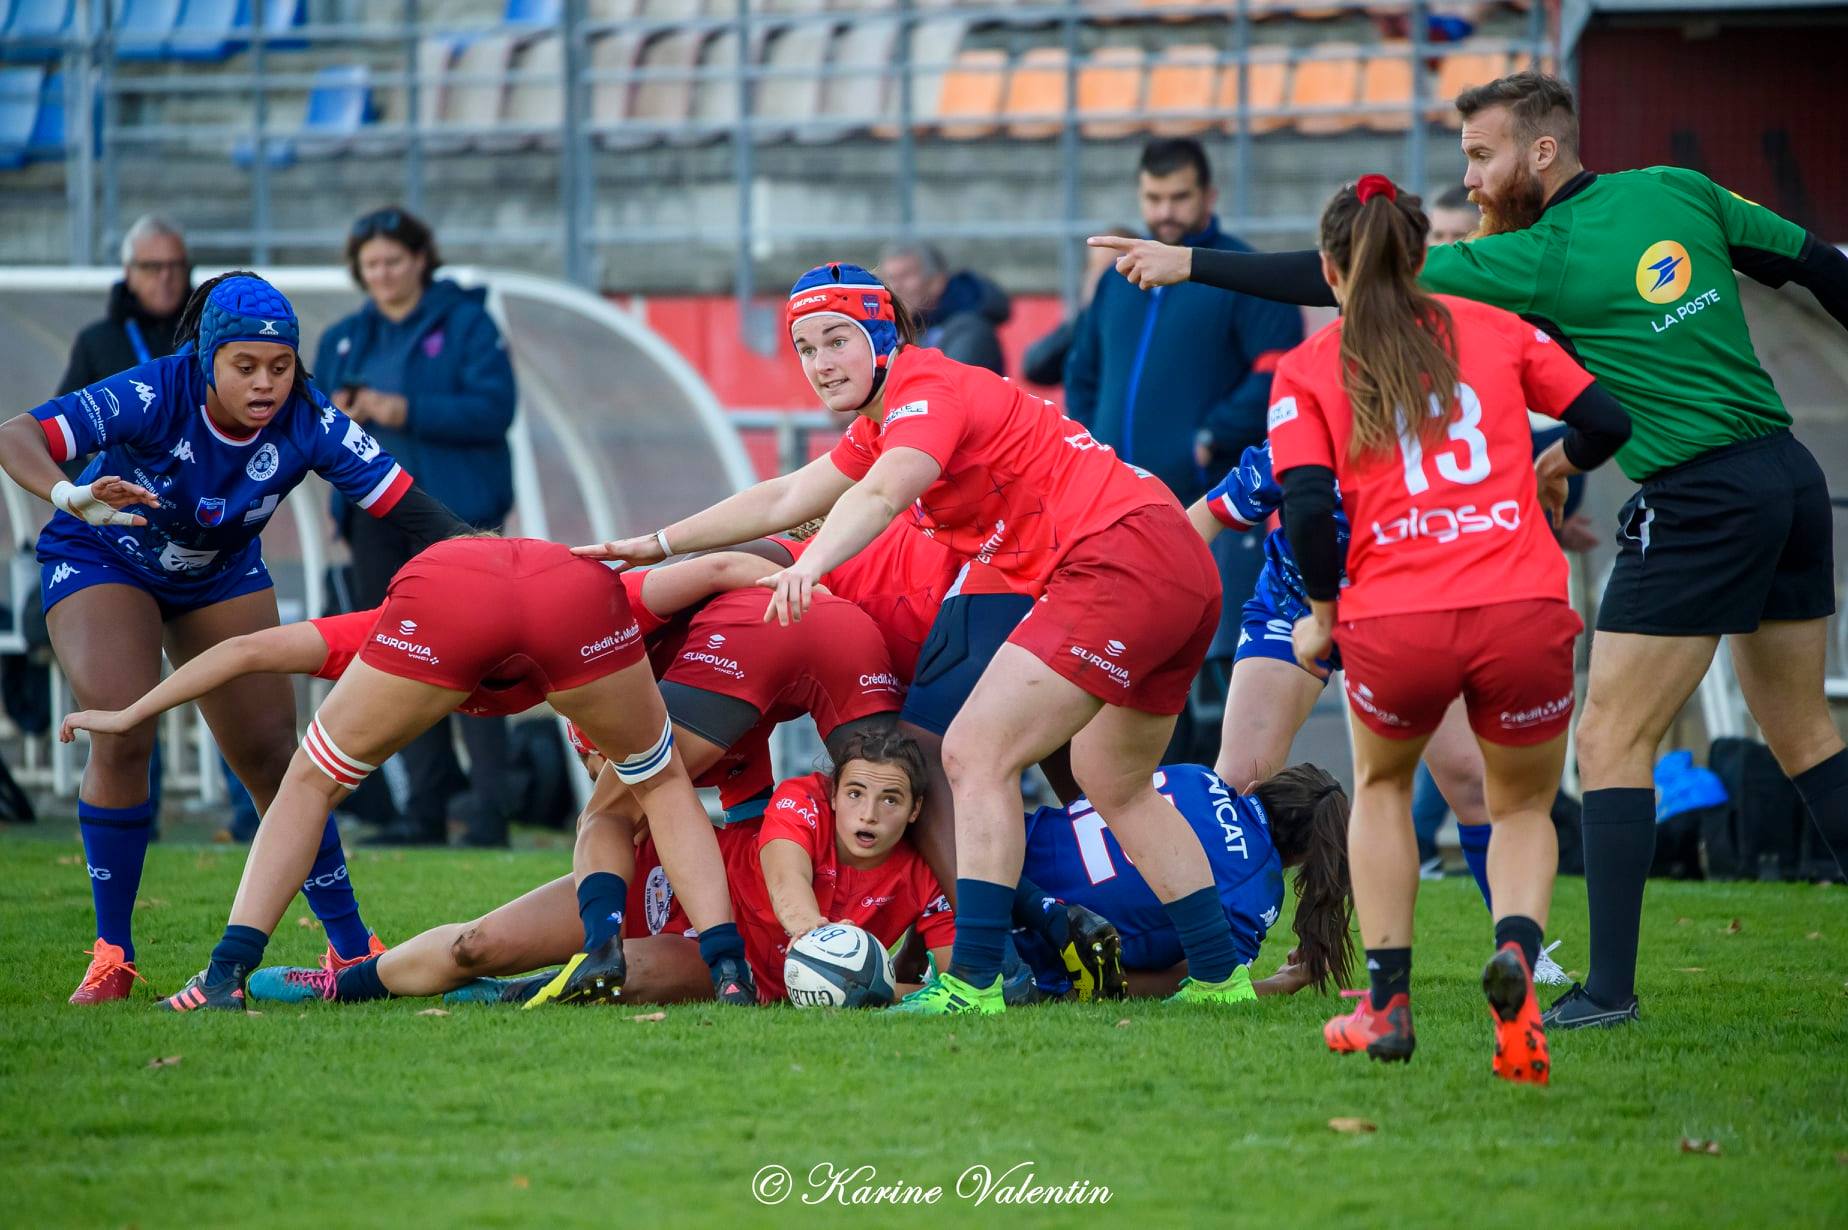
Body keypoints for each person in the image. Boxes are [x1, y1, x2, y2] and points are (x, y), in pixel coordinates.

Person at [1093, 69, 1848, 1030]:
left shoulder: (1518, 266)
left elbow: (1336, 295)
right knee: (1804, 738)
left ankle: (1582, 991)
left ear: (1542, 150)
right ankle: (1496, 956)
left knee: (1600, 744)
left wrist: (1188, 263)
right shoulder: (1679, 188)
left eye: (1483, 157)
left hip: (1659, 511)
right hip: (1786, 478)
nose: (1476, 182)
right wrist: (1556, 463)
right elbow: (1821, 267)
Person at [576, 260, 1249, 1016]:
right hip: (1176, 561)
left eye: (837, 341)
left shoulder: (926, 391)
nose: (821, 364)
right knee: (1114, 782)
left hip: (1115, 559)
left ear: (884, 336)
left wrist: (813, 565)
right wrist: (661, 540)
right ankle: (1223, 977)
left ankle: (978, 982)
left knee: (968, 755)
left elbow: (886, 491)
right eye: (805, 349)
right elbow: (789, 494)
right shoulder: (888, 419)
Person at [0, 272, 467, 1004]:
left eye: (280, 367)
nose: (265, 384)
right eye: (245, 366)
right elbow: (16, 434)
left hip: (218, 574)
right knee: (124, 731)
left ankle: (353, 950)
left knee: (280, 762)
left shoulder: (308, 417)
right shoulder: (154, 391)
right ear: (205, 359)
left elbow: (411, 509)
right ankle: (112, 954)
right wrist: (70, 494)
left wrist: (499, 557)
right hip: (104, 553)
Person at [1264, 174, 1631, 1081]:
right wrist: (1556, 462)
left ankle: (1386, 1006)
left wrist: (1320, 617)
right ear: (1424, 256)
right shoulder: (1497, 329)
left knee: (1383, 791)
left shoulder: (1310, 365)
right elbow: (1607, 418)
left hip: (1397, 614)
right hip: (1524, 604)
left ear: (1328, 269)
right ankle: (1515, 960)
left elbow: (1307, 504)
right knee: (1518, 808)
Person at [237, 549, 909, 1007]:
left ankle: (515, 988)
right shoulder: (697, 722)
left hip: (719, 947)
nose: (870, 810)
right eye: (594, 760)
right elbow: (757, 828)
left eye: (887, 799)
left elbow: (724, 563)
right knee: (478, 945)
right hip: (659, 880)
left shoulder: (683, 659)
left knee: (586, 983)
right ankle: (347, 985)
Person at [153, 534, 727, 1012]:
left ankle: (225, 973)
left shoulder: (403, 627)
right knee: (649, 791)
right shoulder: (598, 604)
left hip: (467, 599)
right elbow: (723, 566)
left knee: (307, 780)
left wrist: (131, 714)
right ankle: (729, 971)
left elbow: (249, 650)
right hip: (569, 603)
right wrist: (797, 572)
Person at [1064, 138, 1304, 761]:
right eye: (1153, 198)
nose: (1165, 211)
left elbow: (1277, 376)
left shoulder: (1243, 274)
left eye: (1179, 197)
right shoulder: (1120, 281)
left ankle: (1220, 815)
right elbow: (1083, 371)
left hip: (1216, 509)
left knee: (1214, 677)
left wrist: (1209, 438)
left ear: (1209, 196)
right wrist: (1089, 447)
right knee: (1128, 668)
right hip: (1120, 510)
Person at [315, 206, 519, 847]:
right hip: (374, 518)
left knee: (480, 654)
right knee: (401, 658)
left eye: (393, 261)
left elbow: (494, 409)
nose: (382, 274)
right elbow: (316, 423)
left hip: (456, 513)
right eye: (370, 264)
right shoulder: (348, 335)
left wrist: (402, 409)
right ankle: (425, 806)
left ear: (420, 259)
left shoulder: (467, 324)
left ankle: (489, 807)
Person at [1017, 763, 1351, 999]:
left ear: (1255, 788)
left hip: (989, 859)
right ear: (1298, 861)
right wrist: (1281, 983)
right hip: (1023, 945)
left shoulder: (1197, 775)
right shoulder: (1258, 891)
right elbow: (1203, 982)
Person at [57, 215, 192, 397]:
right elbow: (64, 417)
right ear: (129, 272)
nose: (165, 277)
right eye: (153, 266)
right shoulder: (96, 343)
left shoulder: (206, 336)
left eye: (175, 265)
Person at [1020, 224, 1139, 388]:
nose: (1099, 279)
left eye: (1113, 270)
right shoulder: (1082, 327)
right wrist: (1088, 317)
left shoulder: (1144, 328)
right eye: (1094, 269)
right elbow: (1035, 367)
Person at [878, 241, 1011, 376]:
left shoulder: (971, 329)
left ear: (937, 281)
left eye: (905, 276)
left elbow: (949, 384)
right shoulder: (904, 327)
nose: (896, 287)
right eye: (890, 278)